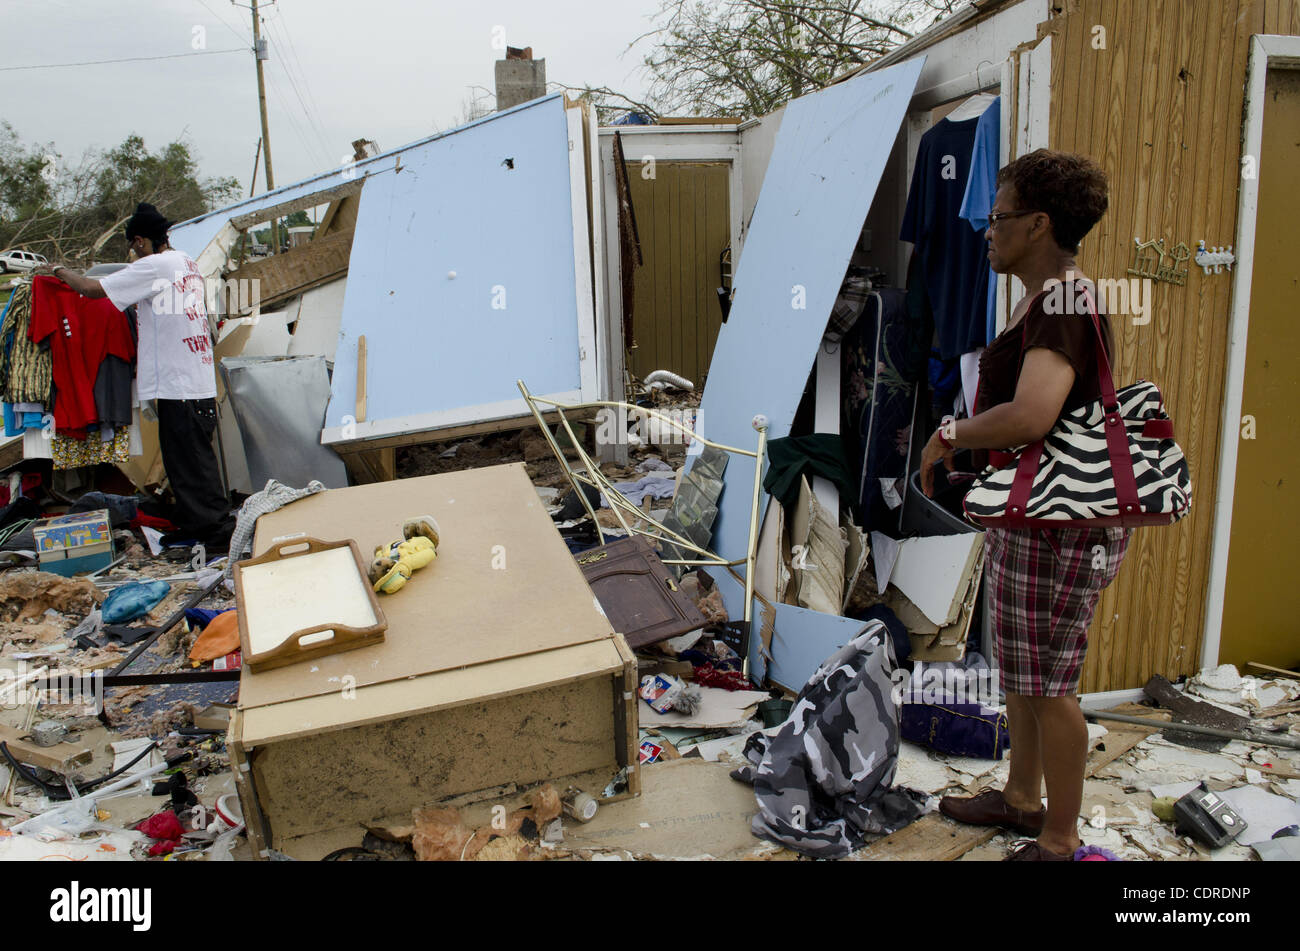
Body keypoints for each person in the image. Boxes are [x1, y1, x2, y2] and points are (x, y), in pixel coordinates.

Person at [917, 150, 1129, 861]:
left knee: (1052, 680)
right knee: (1022, 670)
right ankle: (1019, 799)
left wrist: (951, 433)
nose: (986, 228)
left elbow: (1033, 413)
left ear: (1038, 225)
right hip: (1034, 510)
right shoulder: (1046, 299)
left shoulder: (1066, 302)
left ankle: (1059, 838)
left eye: (998, 216)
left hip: (1066, 521)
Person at [45, 202, 231, 549]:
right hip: (196, 381)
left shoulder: (154, 266)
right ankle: (199, 524)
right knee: (190, 462)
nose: (133, 252)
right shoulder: (186, 262)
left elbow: (90, 289)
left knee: (189, 464)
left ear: (142, 241)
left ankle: (215, 533)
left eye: (133, 245)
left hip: (179, 386)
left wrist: (58, 271)